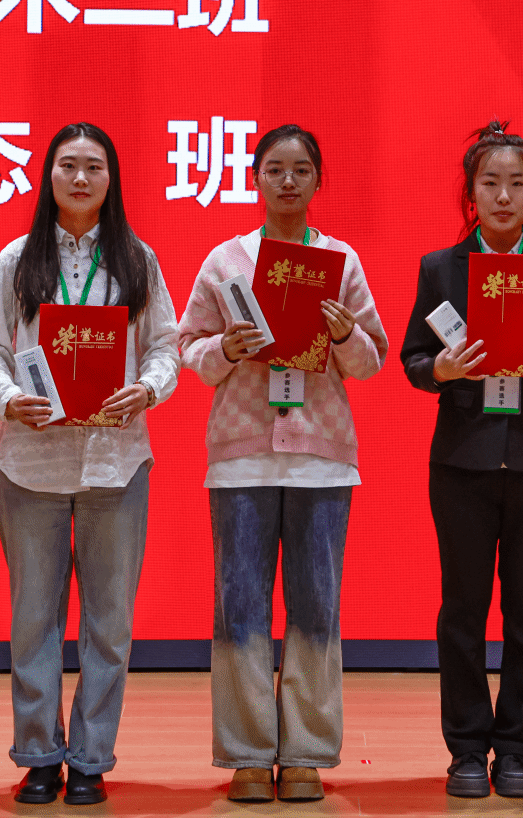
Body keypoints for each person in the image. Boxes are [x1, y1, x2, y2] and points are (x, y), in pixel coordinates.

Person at [177, 125, 388, 804]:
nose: (288, 181)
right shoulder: (226, 261)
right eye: (275, 169)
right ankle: (246, 753)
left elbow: (373, 358)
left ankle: (305, 754)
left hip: (322, 460)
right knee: (240, 607)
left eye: (301, 169)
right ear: (256, 179)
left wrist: (344, 335)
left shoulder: (340, 260)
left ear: (319, 179)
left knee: (316, 608)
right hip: (242, 458)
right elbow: (188, 346)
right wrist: (226, 349)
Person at [0, 124, 181, 806]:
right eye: (68, 165)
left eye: (95, 166)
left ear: (111, 178)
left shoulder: (137, 259)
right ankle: (39, 755)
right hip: (30, 461)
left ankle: (91, 757)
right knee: (33, 618)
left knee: (109, 622)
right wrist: (8, 399)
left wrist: (146, 389)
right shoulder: (17, 258)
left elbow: (166, 346)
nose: (82, 178)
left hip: (115, 462)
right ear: (49, 176)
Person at [399, 122, 523, 799]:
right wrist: (442, 370)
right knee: (463, 607)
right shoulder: (441, 268)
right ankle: (466, 747)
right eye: (490, 182)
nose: (504, 196)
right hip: (462, 459)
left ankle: (516, 747)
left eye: (517, 183)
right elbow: (413, 358)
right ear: (471, 193)